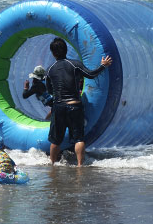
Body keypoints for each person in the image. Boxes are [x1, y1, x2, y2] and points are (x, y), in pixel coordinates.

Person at [46, 37, 112, 166]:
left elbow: (49, 90)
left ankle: (52, 165)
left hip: (59, 107)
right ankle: (80, 166)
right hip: (74, 106)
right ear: (66, 50)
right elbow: (91, 75)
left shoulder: (50, 69)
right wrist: (103, 66)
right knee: (78, 138)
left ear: (53, 53)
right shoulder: (75, 64)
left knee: (55, 140)